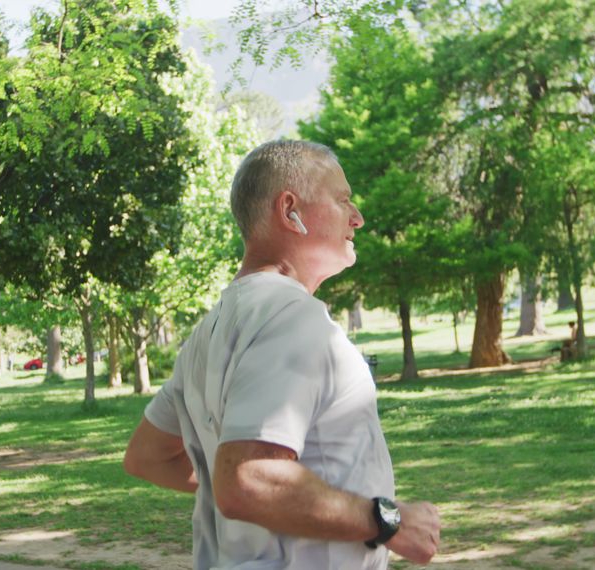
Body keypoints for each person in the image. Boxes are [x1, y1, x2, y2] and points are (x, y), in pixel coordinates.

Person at [123, 140, 441, 569]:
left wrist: (273, 499)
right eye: (343, 200)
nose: (358, 218)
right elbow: (248, 479)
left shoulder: (209, 331)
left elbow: (148, 456)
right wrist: (389, 522)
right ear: (290, 209)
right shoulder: (292, 316)